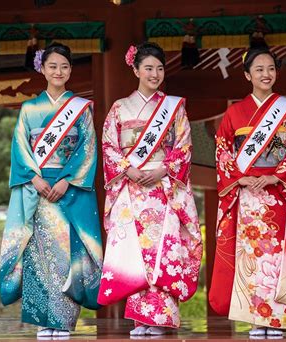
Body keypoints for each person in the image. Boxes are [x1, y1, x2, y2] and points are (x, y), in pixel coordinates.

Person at [0, 42, 103, 339]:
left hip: (67, 189)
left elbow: (88, 148)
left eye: (65, 66)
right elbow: (20, 147)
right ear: (42, 69)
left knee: (68, 251)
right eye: (53, 66)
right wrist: (34, 178)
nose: (59, 71)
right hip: (39, 191)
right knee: (38, 252)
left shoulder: (80, 108)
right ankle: (45, 319)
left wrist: (66, 180)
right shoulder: (29, 108)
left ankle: (65, 320)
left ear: (70, 70)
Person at [97, 42, 203, 336]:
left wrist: (162, 169)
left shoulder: (173, 108)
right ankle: (140, 318)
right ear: (135, 70)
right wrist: (129, 170)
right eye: (148, 68)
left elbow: (183, 146)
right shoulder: (120, 107)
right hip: (132, 190)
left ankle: (162, 316)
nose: (154, 74)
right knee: (136, 253)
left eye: (159, 68)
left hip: (163, 189)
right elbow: (109, 145)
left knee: (164, 249)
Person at [209, 47, 286, 337]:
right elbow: (223, 151)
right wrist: (241, 179)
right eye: (259, 69)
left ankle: (276, 318)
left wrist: (272, 177)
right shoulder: (234, 113)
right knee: (251, 256)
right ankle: (256, 318)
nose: (266, 74)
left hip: (278, 193)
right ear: (246, 75)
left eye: (270, 69)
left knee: (277, 256)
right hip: (247, 196)